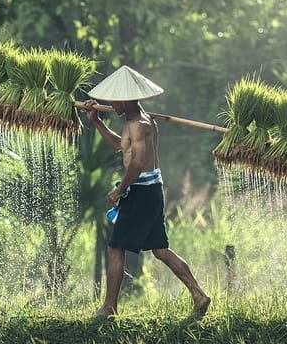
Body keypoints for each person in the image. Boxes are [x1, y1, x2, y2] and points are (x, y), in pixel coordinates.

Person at [82, 66, 211, 318]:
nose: (110, 103)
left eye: (114, 99)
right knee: (160, 249)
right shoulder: (137, 121)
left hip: (141, 191)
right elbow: (120, 146)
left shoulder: (140, 124)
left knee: (115, 247)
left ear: (126, 99)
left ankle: (109, 307)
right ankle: (199, 295)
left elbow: (138, 164)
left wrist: (120, 189)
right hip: (151, 189)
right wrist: (96, 121)